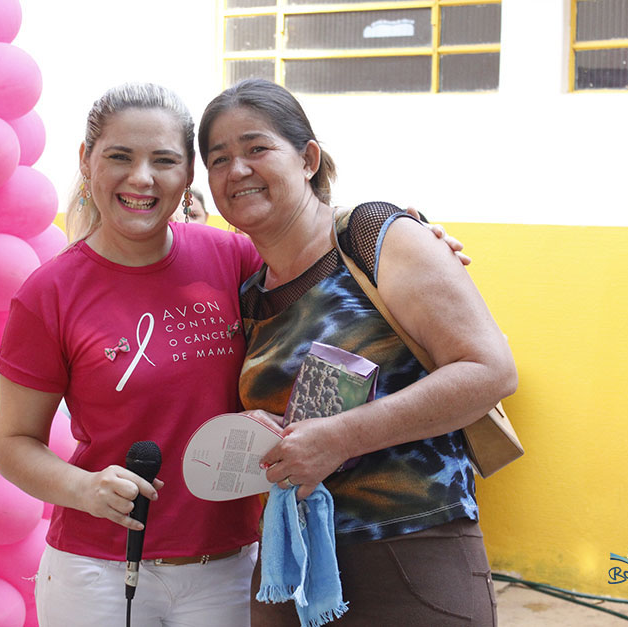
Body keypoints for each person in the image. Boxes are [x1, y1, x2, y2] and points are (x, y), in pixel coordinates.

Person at [197, 79, 517, 625]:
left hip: (413, 549)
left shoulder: (373, 236)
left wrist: (340, 437)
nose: (237, 170)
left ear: (308, 159)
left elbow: (490, 370)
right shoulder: (251, 293)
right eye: (219, 158)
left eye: (256, 148)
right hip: (288, 563)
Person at [0, 83, 264, 626]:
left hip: (228, 568)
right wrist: (83, 488)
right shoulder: (50, 292)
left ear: (188, 176)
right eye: (120, 156)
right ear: (87, 161)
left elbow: (323, 264)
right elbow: (13, 442)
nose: (142, 178)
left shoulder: (235, 257)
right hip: (97, 575)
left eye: (164, 160)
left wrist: (393, 237)